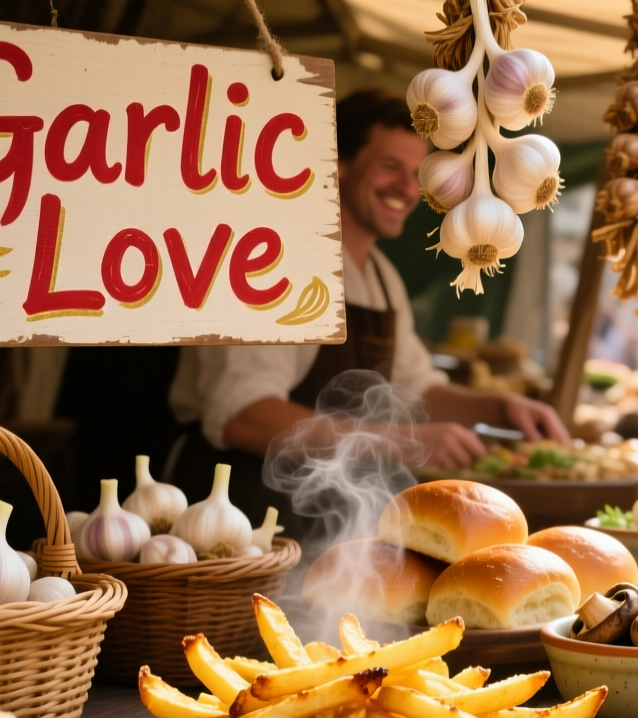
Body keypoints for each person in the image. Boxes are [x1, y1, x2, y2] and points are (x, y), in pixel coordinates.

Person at [167, 89, 569, 523]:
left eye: (415, 172)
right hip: (234, 512)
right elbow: (244, 417)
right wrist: (398, 442)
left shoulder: (380, 276)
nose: (406, 187)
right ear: (338, 166)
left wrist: (496, 408)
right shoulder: (272, 261)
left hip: (333, 515)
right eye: (388, 166)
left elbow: (417, 387)